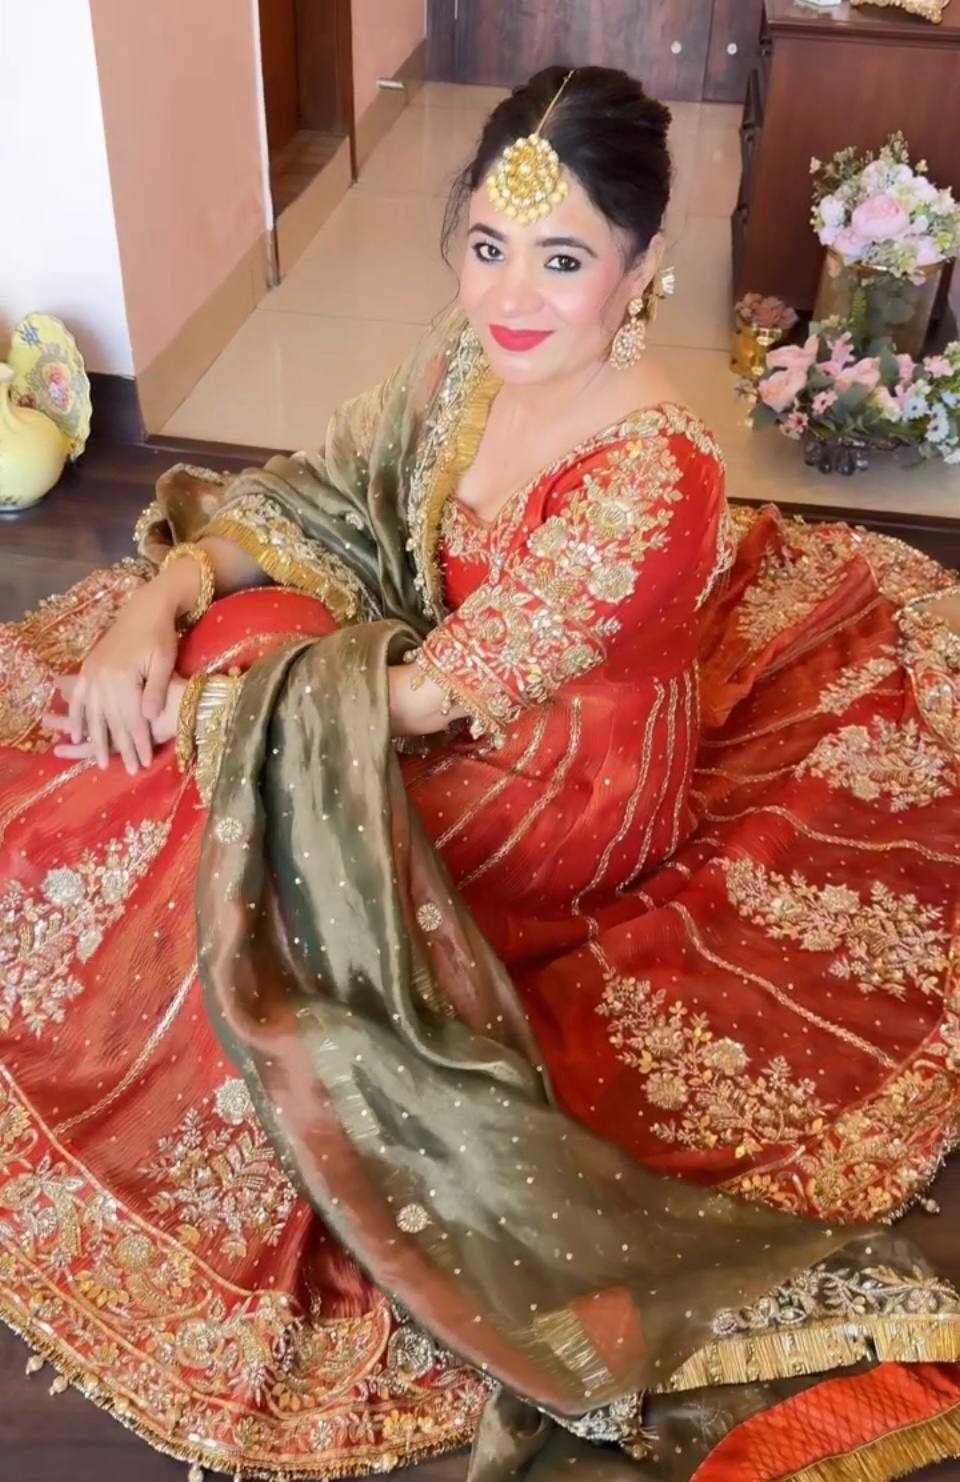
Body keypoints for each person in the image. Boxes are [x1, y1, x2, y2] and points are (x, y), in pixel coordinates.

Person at [1, 64, 958, 1482]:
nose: (512, 295)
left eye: (563, 260)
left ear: (642, 263)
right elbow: (325, 491)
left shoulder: (656, 475)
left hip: (562, 783)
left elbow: (426, 696)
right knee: (244, 635)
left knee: (261, 818)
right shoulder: (474, 357)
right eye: (489, 245)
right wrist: (164, 597)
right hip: (430, 687)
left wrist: (208, 709)